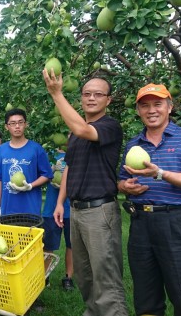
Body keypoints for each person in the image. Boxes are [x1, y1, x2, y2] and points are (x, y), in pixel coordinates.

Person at [118, 83, 181, 316]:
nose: (151, 110)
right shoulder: (133, 144)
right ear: (138, 111)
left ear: (170, 107)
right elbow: (121, 181)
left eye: (157, 104)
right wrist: (125, 186)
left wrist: (159, 174)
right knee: (145, 296)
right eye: (145, 105)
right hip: (140, 223)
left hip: (176, 223)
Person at [43, 70, 128, 316]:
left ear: (108, 100)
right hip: (76, 210)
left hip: (100, 212)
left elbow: (83, 130)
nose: (91, 98)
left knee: (105, 277)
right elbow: (70, 167)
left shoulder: (109, 126)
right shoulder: (75, 133)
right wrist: (60, 202)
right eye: (86, 94)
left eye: (98, 94)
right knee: (85, 275)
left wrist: (56, 94)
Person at [0, 108, 52, 217]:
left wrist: (31, 186)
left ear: (25, 124)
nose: (17, 126)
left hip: (30, 209)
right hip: (7, 209)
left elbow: (46, 175)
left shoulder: (36, 149)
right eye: (13, 123)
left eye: (20, 122)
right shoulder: (1, 150)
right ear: (6, 126)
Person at [42, 148, 74, 291]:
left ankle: (68, 277)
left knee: (71, 245)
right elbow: (42, 176)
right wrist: (50, 172)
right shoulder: (49, 154)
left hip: (72, 208)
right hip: (51, 207)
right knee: (48, 245)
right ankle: (44, 276)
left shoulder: (76, 152)